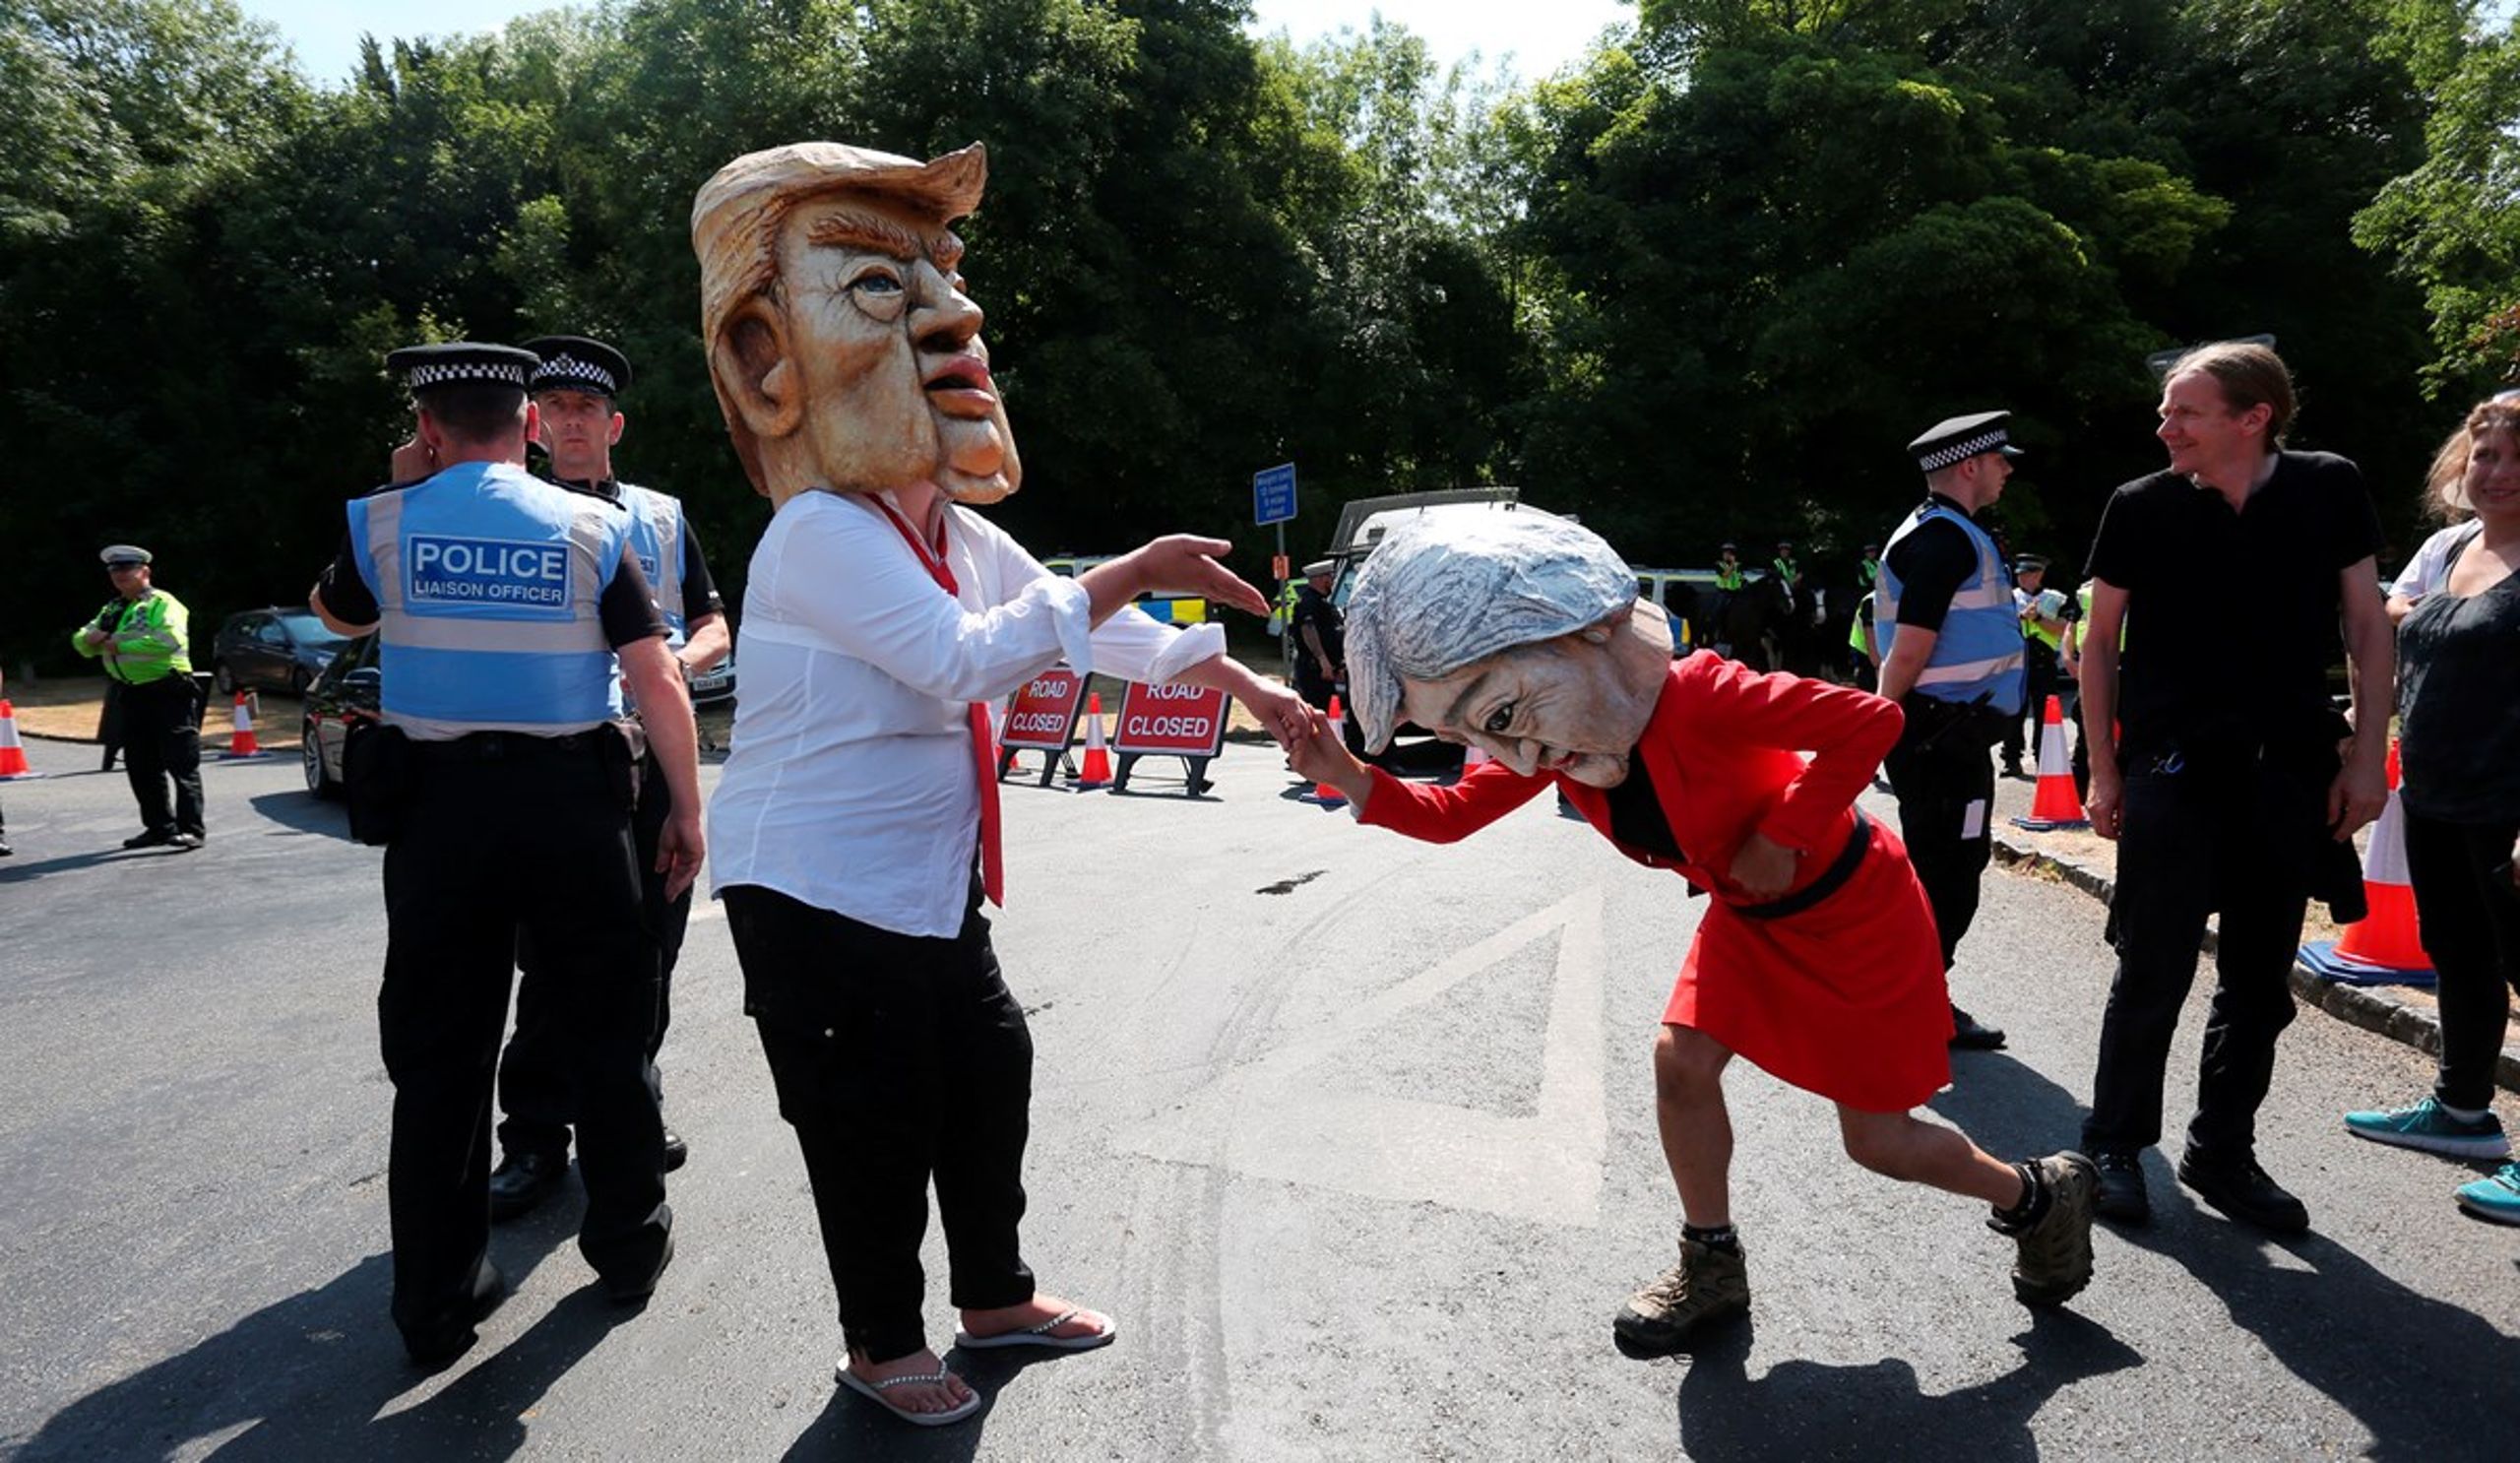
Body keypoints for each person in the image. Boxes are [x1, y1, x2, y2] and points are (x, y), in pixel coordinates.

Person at [690, 140, 1311, 1426]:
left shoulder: (953, 527)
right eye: (881, 286)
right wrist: (1132, 568)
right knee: (869, 1119)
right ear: (768, 358)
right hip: (813, 890)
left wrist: (1234, 680)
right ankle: (880, 1344)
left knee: (988, 1072)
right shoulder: (818, 532)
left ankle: (995, 1297)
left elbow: (1070, 625)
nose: (951, 322)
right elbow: (962, 660)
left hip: (925, 885)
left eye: (950, 281)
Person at [1284, 512, 2096, 1354]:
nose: (1514, 758)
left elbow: (1869, 722)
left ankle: (2037, 1196)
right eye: (1468, 732)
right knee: (1680, 1064)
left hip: (1855, 911)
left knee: (1880, 1142)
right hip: (1750, 919)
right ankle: (1711, 1264)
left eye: (1496, 713)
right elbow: (1453, 813)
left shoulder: (1699, 693)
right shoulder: (1553, 735)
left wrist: (1783, 832)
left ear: (1583, 641)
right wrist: (1344, 771)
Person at [309, 341, 698, 1368]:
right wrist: (688, 813)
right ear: (529, 425)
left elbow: (337, 615)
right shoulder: (594, 523)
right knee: (608, 1032)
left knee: (440, 1059)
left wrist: (403, 486)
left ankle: (435, 1302)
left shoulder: (384, 521)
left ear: (426, 429)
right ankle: (628, 1247)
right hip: (573, 811)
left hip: (439, 820)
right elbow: (655, 676)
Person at [2076, 341, 2390, 1233]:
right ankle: (2113, 1147)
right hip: (2174, 767)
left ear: (2254, 418)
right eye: (2166, 411)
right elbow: (2099, 643)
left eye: (2184, 412)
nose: (2164, 427)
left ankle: (2222, 1151)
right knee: (2152, 967)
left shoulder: (2329, 486)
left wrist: (2367, 758)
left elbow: (2368, 627)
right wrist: (2104, 768)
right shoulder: (2141, 504)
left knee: (2259, 982)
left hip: (2288, 771)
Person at [442, 335, 732, 1221]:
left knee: (652, 950)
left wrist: (678, 662)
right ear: (533, 424)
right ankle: (534, 1136)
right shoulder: (507, 509)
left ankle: (631, 1107)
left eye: (587, 409)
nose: (572, 422)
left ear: (614, 425)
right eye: (557, 408)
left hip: (650, 755)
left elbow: (714, 622)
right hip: (556, 765)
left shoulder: (660, 516)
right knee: (547, 960)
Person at [2341, 395, 2520, 1224]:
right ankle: (2461, 1110)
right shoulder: (2450, 546)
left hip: (2510, 806)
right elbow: (2388, 622)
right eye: (2486, 455)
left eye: (2518, 459)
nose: (2498, 472)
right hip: (2439, 794)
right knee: (2461, 953)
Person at [1874, 412, 2029, 1051]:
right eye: (1999, 460)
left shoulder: (1947, 532)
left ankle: (1913, 996)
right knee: (1947, 872)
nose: (2007, 470)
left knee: (1949, 865)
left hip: (1950, 738)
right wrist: (1877, 724)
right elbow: (1910, 648)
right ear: (1970, 466)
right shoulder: (1944, 540)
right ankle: (1912, 1003)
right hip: (1939, 740)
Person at [72, 545, 204, 851]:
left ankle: (191, 829)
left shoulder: (163, 603)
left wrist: (117, 644)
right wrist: (91, 639)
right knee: (141, 765)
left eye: (126, 570)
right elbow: (81, 641)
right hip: (131, 692)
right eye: (114, 571)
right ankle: (159, 828)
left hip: (168, 690)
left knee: (181, 762)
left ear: (144, 572)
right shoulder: (113, 609)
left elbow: (169, 640)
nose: (119, 575)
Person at [2003, 556, 2068, 777]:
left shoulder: (2055, 599)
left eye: (2026, 574)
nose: (2021, 578)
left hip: (2044, 660)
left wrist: (2038, 618)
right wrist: (2020, 618)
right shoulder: (2010, 597)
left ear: (2038, 574)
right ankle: (2011, 759)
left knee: (2044, 712)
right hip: (2016, 660)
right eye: (2019, 574)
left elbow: (2064, 628)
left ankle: (2044, 758)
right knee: (2014, 711)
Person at [1291, 558, 1343, 711]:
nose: (1332, 581)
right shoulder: (1308, 602)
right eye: (1330, 577)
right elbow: (1308, 630)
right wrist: (1323, 660)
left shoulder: (1322, 602)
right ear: (1320, 579)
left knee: (1327, 708)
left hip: (1324, 669)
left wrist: (1338, 665)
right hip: (1314, 669)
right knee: (1316, 709)